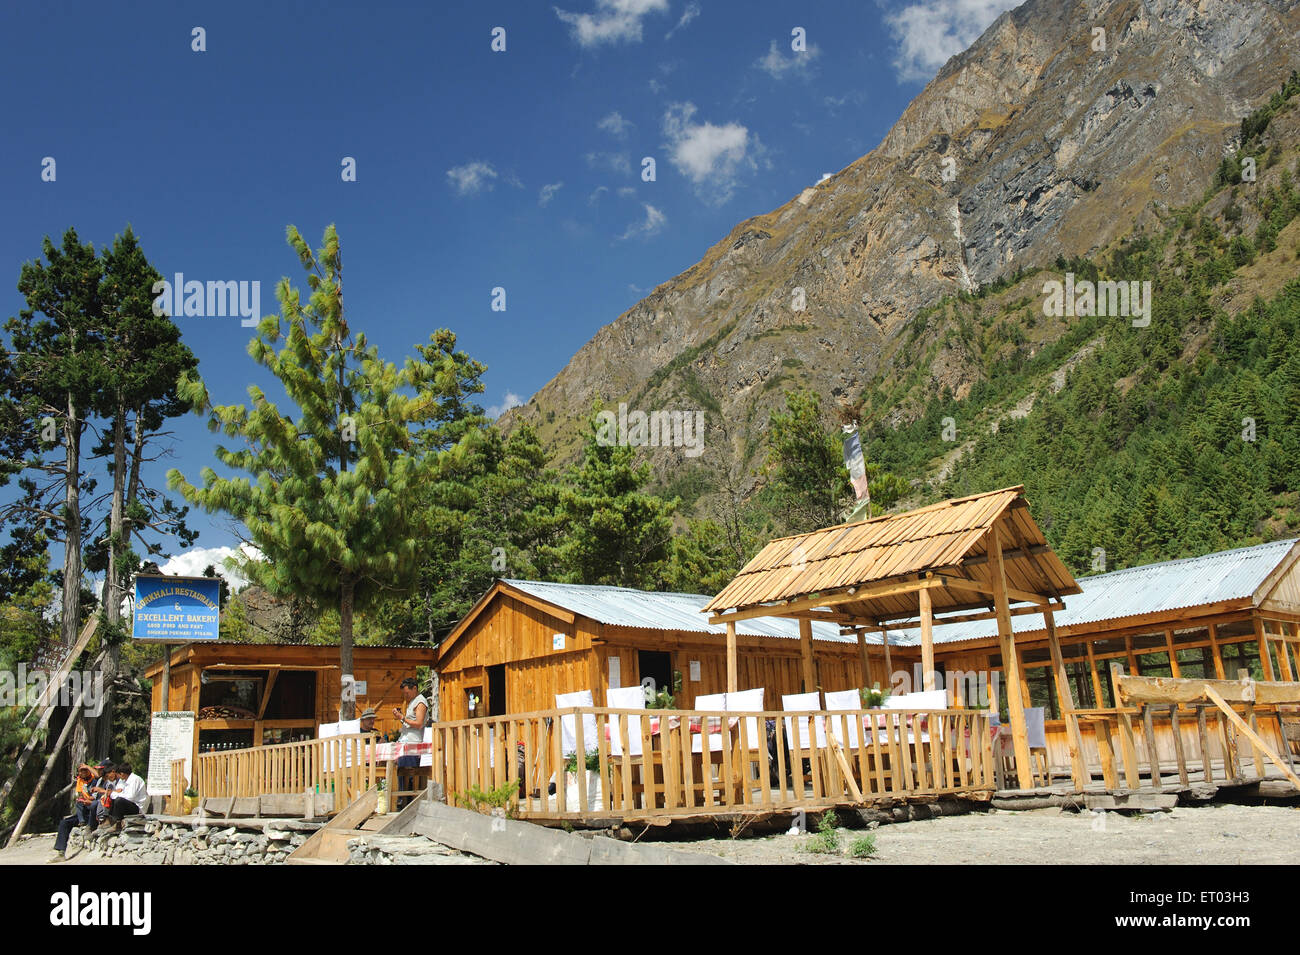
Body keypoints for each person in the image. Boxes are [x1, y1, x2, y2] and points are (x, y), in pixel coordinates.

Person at [48, 764, 98, 863]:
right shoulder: (80, 780)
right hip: (84, 810)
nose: (83, 773)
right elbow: (79, 794)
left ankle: (84, 823)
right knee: (64, 823)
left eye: (85, 770)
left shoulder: (95, 779)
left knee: (90, 805)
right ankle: (61, 853)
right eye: (81, 771)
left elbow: (97, 775)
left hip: (94, 809)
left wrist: (87, 766)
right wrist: (82, 800)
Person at [391, 677, 428, 805]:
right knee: (401, 770)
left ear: (414, 689)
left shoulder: (420, 702)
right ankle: (402, 797)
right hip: (406, 741)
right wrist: (402, 718)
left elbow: (418, 723)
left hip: (413, 743)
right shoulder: (412, 702)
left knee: (409, 772)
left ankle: (408, 799)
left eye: (407, 693)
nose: (405, 696)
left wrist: (402, 718)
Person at [105, 762, 147, 830]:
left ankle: (117, 823)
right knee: (113, 798)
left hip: (137, 808)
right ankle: (110, 820)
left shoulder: (135, 779)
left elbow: (130, 797)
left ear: (122, 774)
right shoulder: (126, 780)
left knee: (119, 800)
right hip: (131, 804)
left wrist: (115, 794)